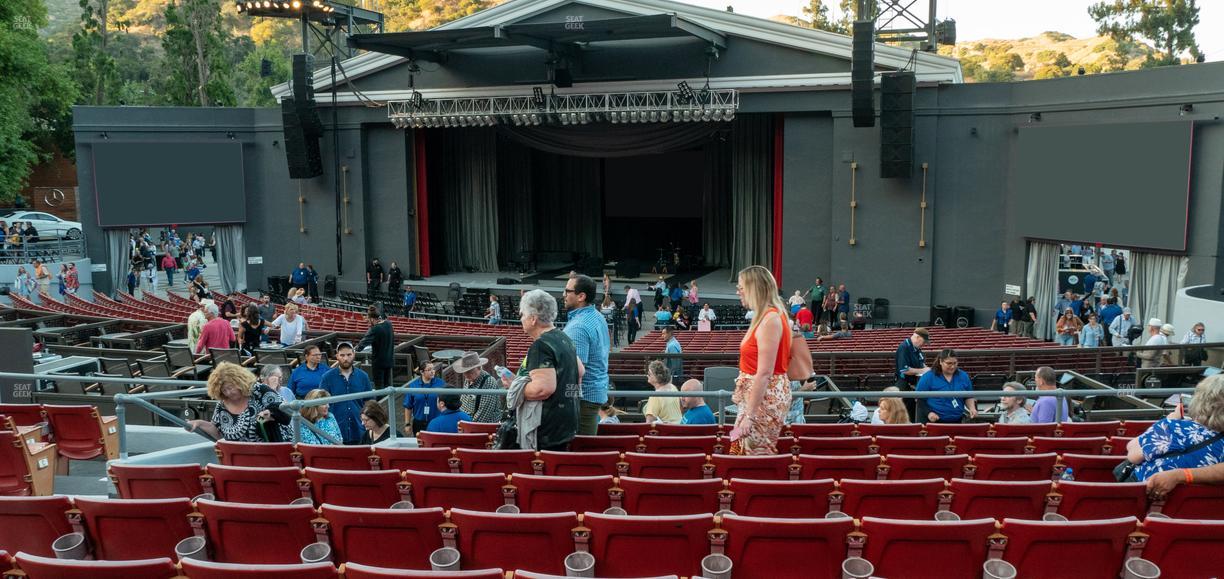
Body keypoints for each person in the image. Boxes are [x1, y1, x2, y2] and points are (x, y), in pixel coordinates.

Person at [500, 288, 582, 451]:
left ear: (533, 319)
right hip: (566, 422)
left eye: (522, 314)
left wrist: (514, 387)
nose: (521, 318)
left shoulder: (540, 346)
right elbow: (580, 371)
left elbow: (542, 390)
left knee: (541, 473)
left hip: (546, 428)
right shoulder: (563, 337)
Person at [730, 265, 792, 455]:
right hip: (755, 398)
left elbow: (764, 373)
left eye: (741, 287)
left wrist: (749, 416)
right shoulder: (764, 316)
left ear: (754, 288)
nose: (738, 292)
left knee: (752, 456)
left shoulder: (770, 319)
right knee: (738, 446)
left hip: (763, 399)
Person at [1125, 374, 1224, 481]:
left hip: (1148, 494)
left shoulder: (1172, 427)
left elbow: (1132, 456)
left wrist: (1169, 421)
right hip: (1198, 497)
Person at [185, 362, 292, 442]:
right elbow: (217, 432)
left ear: (240, 382)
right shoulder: (222, 405)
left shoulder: (259, 390)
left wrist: (270, 414)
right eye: (224, 390)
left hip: (271, 452)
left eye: (230, 388)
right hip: (238, 456)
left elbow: (286, 410)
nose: (228, 393)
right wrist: (198, 423)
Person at [562, 274, 611, 437]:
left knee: (581, 451)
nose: (563, 294)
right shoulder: (597, 316)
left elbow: (575, 373)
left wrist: (568, 402)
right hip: (594, 394)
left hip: (582, 401)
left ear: (581, 296)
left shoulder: (578, 327)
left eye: (567, 291)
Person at [318, 342, 372, 444]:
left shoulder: (363, 376)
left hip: (359, 429)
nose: (345, 358)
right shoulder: (327, 377)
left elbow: (369, 402)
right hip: (335, 429)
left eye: (349, 355)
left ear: (354, 354)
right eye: (342, 355)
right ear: (337, 356)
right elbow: (321, 402)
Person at [916, 349, 977, 423]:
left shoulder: (964, 376)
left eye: (955, 363)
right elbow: (919, 399)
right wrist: (929, 413)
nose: (952, 366)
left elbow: (968, 396)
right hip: (935, 421)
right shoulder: (928, 377)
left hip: (957, 420)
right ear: (941, 362)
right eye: (949, 363)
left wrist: (972, 408)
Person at [452, 351, 504, 423]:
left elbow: (483, 416)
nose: (466, 374)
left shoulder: (489, 383)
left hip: (482, 426)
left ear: (479, 367)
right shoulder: (469, 378)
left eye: (470, 371)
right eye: (465, 371)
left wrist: (466, 425)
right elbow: (463, 401)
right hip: (465, 420)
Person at [357, 305, 395, 388]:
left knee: (379, 388)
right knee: (387, 387)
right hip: (389, 361)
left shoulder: (375, 329)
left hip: (379, 363)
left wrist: (353, 350)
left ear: (372, 318)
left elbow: (361, 345)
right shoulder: (389, 324)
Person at [402, 361, 443, 435]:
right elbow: (408, 406)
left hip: (436, 421)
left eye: (433, 369)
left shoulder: (441, 383)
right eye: (429, 369)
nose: (432, 372)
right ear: (421, 372)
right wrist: (407, 424)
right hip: (419, 423)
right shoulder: (413, 385)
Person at [642, 360, 682, 424]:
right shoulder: (673, 387)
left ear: (657, 377)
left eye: (649, 373)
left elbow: (649, 422)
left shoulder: (655, 396)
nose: (647, 375)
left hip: (666, 430)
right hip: (679, 426)